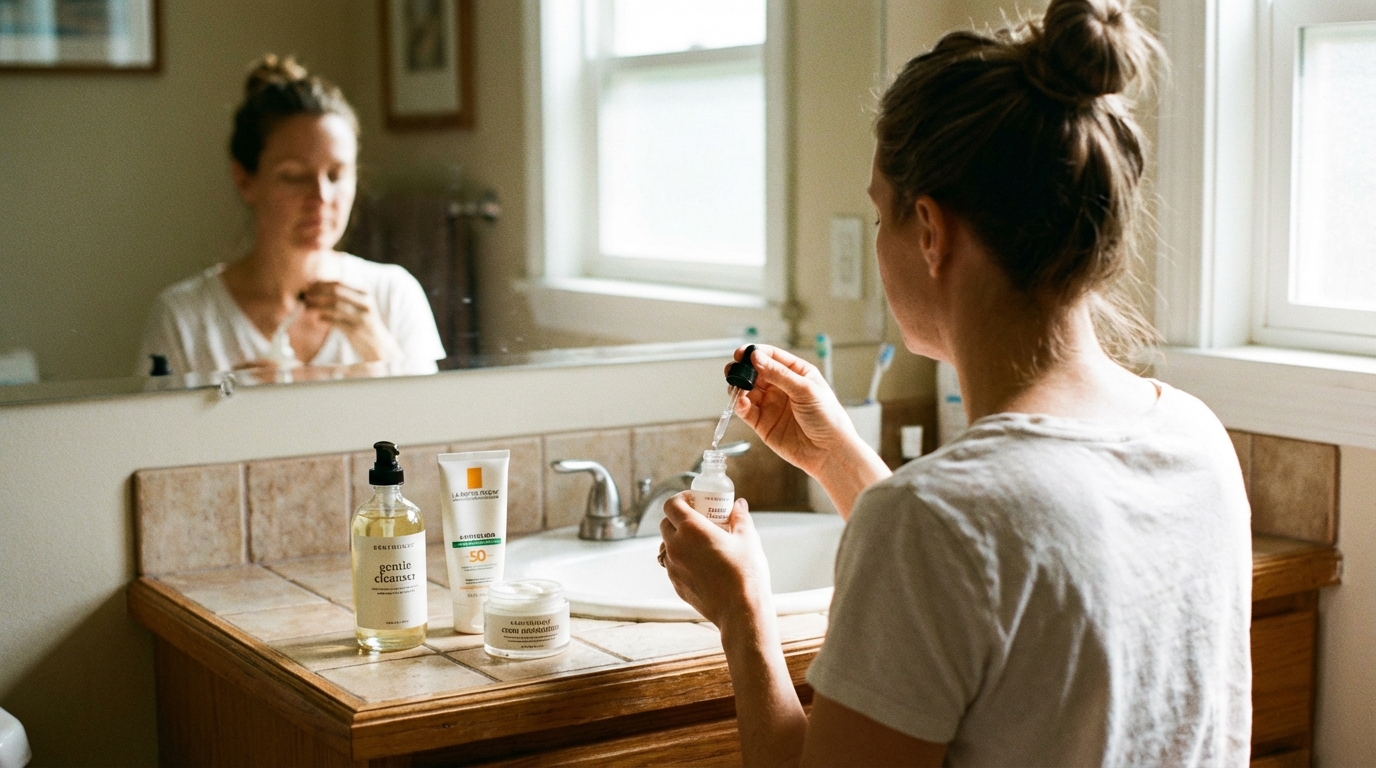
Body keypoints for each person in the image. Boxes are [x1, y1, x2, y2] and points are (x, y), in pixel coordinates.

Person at [657, 1, 1252, 765]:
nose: (879, 244)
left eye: (881, 218)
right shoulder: (1196, 440)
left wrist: (744, 620)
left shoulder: (929, 523)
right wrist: (839, 458)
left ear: (931, 232)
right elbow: (993, 560)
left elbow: (965, 537)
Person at [138, 55, 445, 378]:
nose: (322, 197)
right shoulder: (184, 318)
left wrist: (380, 351)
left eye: (337, 175)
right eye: (295, 176)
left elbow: (436, 424)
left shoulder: (392, 296)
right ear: (246, 181)